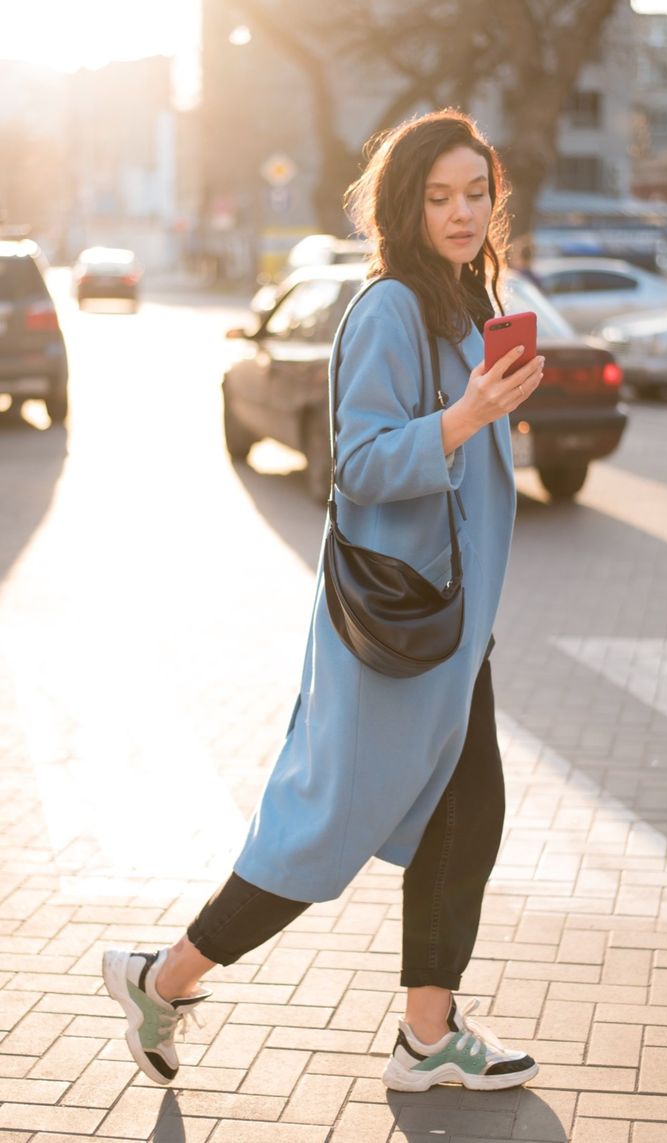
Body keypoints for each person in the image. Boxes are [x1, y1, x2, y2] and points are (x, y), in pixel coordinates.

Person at [102, 109, 544, 1094]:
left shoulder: (464, 299)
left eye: (476, 193)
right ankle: (161, 978)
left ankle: (427, 1037)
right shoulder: (390, 306)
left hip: (450, 625)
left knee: (467, 814)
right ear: (404, 205)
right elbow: (361, 463)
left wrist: (490, 404)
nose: (462, 212)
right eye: (438, 196)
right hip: (397, 628)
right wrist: (467, 415)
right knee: (323, 828)